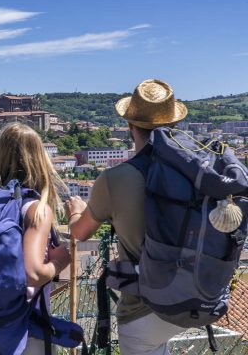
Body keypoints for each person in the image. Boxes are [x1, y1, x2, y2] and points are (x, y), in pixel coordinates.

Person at [64, 79, 187, 355]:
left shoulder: (115, 179)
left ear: (131, 127)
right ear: (174, 126)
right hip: (194, 295)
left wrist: (74, 211)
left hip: (145, 308)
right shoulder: (194, 172)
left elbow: (79, 233)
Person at [0, 123, 71, 354]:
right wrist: (60, 262)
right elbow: (32, 274)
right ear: (38, 159)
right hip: (23, 331)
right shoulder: (35, 209)